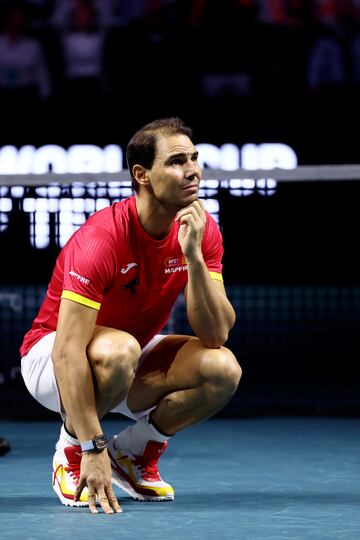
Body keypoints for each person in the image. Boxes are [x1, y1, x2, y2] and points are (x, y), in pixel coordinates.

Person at [20, 117, 242, 514]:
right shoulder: (101, 239)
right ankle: (69, 452)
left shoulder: (202, 231)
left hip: (126, 354)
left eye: (194, 158)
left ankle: (135, 454)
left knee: (222, 368)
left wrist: (192, 256)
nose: (192, 170)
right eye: (176, 161)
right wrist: (90, 446)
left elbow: (216, 333)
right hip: (50, 358)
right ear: (142, 174)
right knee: (120, 349)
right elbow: (68, 352)